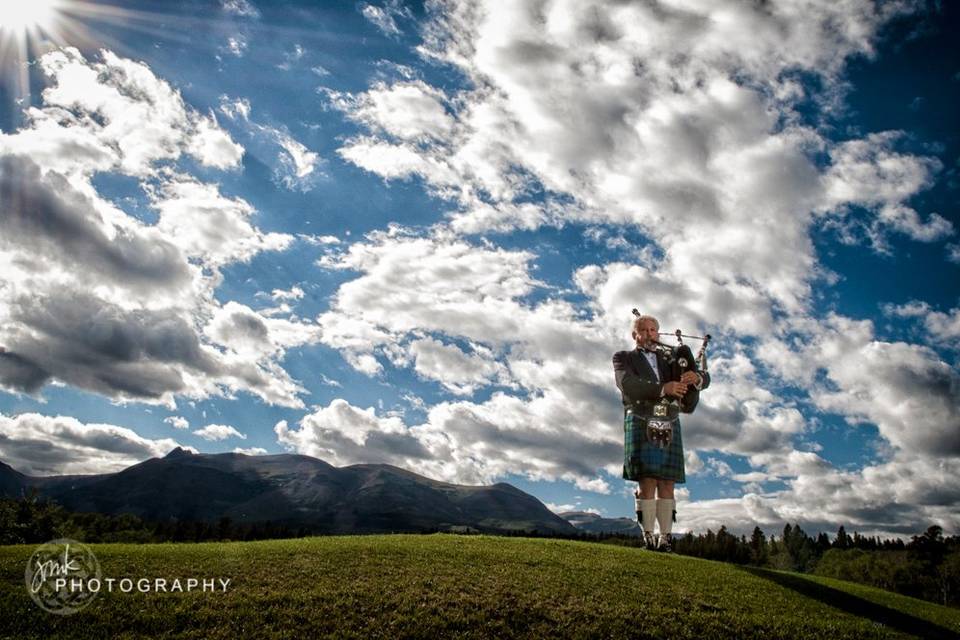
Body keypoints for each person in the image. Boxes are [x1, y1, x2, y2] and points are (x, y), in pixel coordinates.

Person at [612, 314, 705, 551]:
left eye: (654, 330)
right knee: (647, 481)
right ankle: (649, 537)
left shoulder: (669, 358)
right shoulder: (624, 358)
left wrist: (697, 377)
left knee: (667, 482)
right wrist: (664, 388)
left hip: (669, 418)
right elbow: (628, 385)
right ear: (635, 335)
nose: (650, 334)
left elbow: (699, 374)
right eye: (645, 330)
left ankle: (665, 539)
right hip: (641, 418)